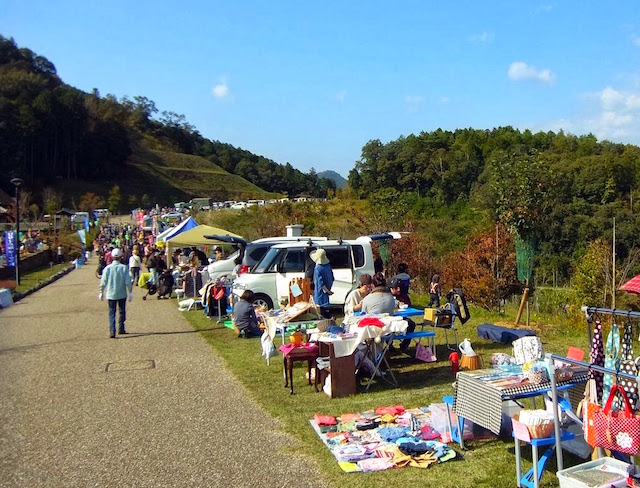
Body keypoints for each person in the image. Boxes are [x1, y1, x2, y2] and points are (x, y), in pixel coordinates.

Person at [99, 248, 133, 338]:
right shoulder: (123, 268)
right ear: (121, 257)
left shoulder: (107, 268)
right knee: (122, 311)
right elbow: (128, 281)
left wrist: (101, 292)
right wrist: (130, 292)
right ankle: (121, 328)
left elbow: (103, 282)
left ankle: (112, 330)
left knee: (112, 312)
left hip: (111, 293)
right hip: (121, 293)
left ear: (112, 257)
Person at [389, 278, 415, 353]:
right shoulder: (388, 297)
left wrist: (404, 304)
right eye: (396, 288)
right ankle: (390, 346)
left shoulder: (403, 295)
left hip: (401, 317)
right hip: (390, 318)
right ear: (391, 288)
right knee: (389, 327)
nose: (398, 289)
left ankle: (404, 344)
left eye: (399, 287)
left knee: (411, 324)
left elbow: (409, 305)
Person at [311, 248, 334, 318]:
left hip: (320, 291)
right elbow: (332, 278)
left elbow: (320, 282)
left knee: (319, 308)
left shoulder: (318, 268)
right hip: (327, 288)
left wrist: (326, 291)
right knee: (326, 306)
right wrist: (328, 289)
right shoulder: (328, 266)